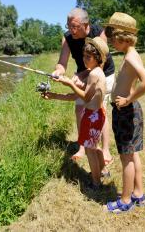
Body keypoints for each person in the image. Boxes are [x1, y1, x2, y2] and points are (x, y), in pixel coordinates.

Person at [103, 12, 145, 213]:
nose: (111, 40)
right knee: (132, 156)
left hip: (126, 112)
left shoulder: (131, 57)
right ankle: (138, 194)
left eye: (111, 35)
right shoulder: (130, 55)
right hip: (127, 112)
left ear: (121, 36)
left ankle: (125, 201)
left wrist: (128, 99)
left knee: (126, 158)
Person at [43, 37, 110, 189]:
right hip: (97, 114)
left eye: (88, 57)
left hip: (92, 116)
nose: (84, 60)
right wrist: (54, 95)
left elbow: (85, 97)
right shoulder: (96, 71)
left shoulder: (94, 75)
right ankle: (103, 171)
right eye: (83, 56)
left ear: (97, 57)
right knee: (94, 146)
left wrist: (71, 83)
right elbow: (78, 96)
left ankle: (96, 183)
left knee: (89, 150)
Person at [52, 8, 114, 164]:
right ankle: (82, 146)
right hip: (82, 73)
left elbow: (102, 61)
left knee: (101, 108)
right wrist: (58, 71)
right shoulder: (67, 38)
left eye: (74, 26)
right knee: (80, 108)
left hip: (103, 73)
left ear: (86, 24)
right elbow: (62, 62)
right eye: (68, 26)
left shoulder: (98, 32)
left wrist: (82, 76)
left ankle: (105, 149)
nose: (70, 30)